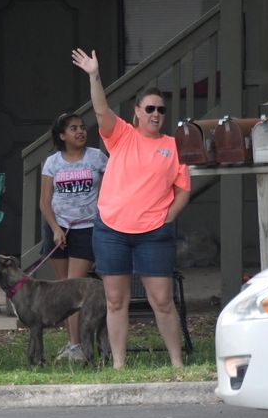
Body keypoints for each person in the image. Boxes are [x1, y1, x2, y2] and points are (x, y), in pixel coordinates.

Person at [71, 49, 190, 369]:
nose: (156, 114)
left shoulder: (173, 145)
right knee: (115, 300)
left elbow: (182, 190)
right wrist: (94, 76)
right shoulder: (121, 135)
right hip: (112, 230)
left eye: (161, 110)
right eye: (149, 108)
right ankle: (119, 365)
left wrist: (169, 217)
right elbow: (100, 110)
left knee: (162, 301)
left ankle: (177, 363)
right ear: (137, 112)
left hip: (154, 233)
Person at [39, 112, 108, 362]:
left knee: (73, 285)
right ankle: (73, 344)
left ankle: (78, 345)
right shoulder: (52, 163)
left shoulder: (97, 158)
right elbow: (44, 202)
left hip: (87, 228)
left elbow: (113, 187)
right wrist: (55, 228)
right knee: (63, 289)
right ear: (61, 135)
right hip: (58, 229)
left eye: (82, 127)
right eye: (73, 128)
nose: (80, 132)